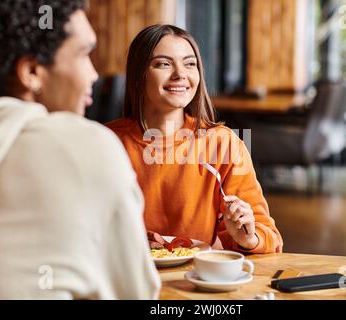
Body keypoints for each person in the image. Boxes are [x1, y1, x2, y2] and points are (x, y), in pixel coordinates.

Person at [0, 0, 160, 299]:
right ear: (32, 71)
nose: (94, 74)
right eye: (85, 54)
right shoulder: (87, 147)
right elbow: (136, 294)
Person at [106, 24, 283, 254]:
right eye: (163, 64)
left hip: (191, 280)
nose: (180, 74)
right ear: (139, 74)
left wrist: (247, 237)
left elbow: (268, 236)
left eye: (190, 63)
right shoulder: (105, 142)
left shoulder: (223, 144)